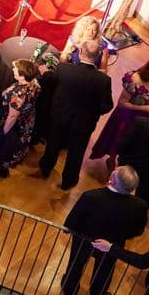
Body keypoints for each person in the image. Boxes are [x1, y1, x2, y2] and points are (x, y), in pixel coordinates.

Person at [61, 165, 148, 295]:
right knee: (104, 271)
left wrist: (69, 230)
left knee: (76, 263)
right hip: (113, 244)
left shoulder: (91, 196)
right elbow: (137, 231)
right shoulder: (139, 205)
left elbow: (72, 221)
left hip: (84, 239)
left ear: (112, 180)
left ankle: (70, 291)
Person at [38, 40, 114, 190]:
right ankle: (69, 181)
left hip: (60, 115)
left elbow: (51, 84)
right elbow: (106, 106)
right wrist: (92, 111)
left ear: (80, 53)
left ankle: (46, 168)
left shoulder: (64, 69)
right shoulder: (104, 80)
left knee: (53, 143)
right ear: (98, 56)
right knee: (76, 153)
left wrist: (45, 72)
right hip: (84, 123)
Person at [89, 56, 149, 171]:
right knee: (118, 140)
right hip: (127, 117)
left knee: (136, 144)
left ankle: (125, 163)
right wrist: (144, 108)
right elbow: (122, 103)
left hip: (147, 119)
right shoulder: (135, 79)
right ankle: (112, 160)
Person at [0, 59, 40, 178]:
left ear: (22, 76)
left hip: (9, 124)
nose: (13, 70)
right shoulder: (34, 83)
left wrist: (3, 134)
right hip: (26, 123)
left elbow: (12, 116)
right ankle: (3, 168)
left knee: (0, 146)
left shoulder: (16, 94)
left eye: (16, 69)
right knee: (12, 149)